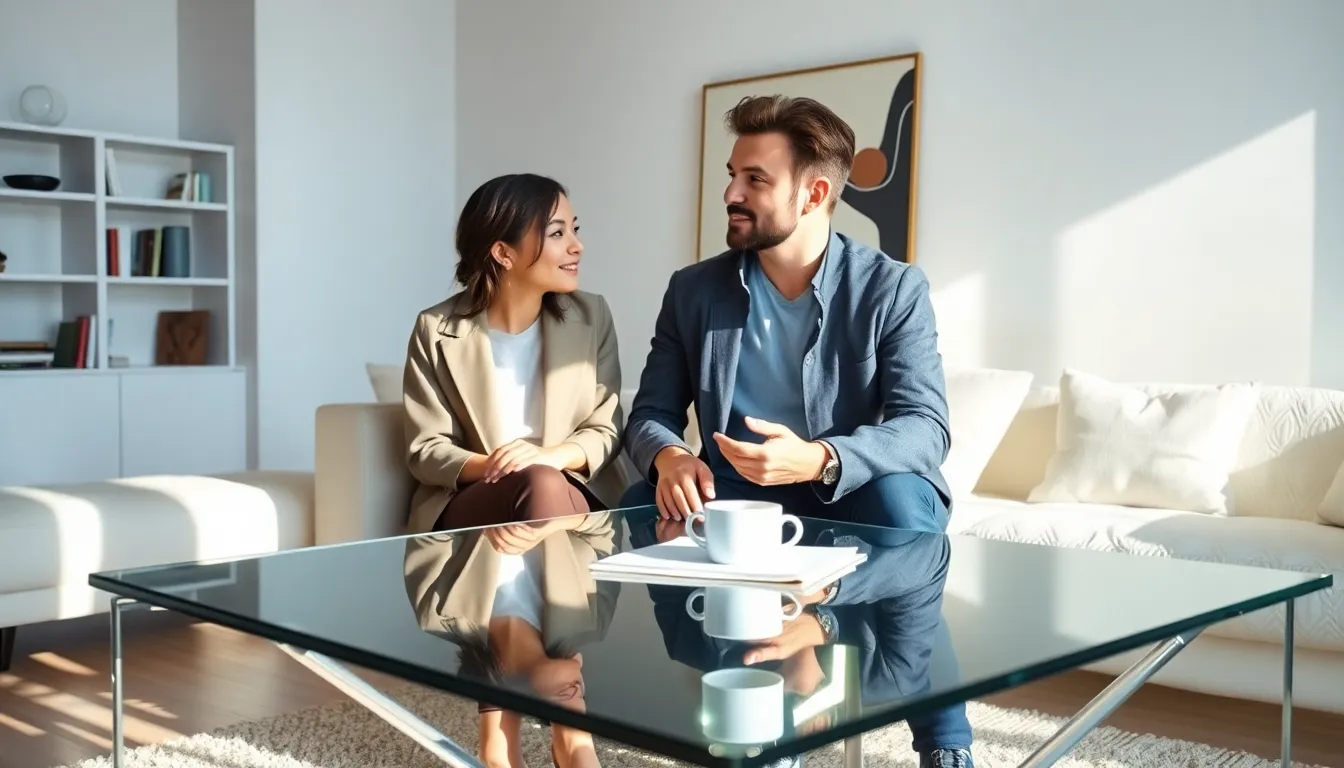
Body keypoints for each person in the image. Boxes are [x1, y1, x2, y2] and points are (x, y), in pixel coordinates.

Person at [619, 95, 973, 767]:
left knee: (907, 507)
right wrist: (667, 456)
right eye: (732, 174)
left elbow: (926, 429)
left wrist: (818, 458)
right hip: (740, 497)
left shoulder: (891, 290)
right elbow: (651, 413)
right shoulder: (693, 292)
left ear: (813, 193)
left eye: (755, 179)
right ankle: (741, 709)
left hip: (850, 491)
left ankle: (945, 741)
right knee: (640, 501)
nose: (731, 192)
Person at [403, 173, 626, 535]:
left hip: (571, 488)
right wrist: (500, 465)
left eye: (574, 229)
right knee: (539, 484)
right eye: (557, 233)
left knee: (545, 483)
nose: (577, 245)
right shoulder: (435, 328)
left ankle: (547, 588)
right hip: (478, 494)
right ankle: (563, 593)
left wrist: (546, 458)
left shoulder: (593, 316)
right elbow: (426, 448)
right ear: (503, 253)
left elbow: (606, 428)